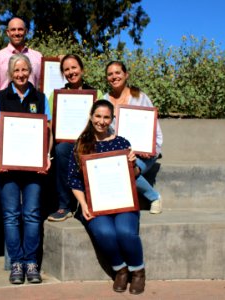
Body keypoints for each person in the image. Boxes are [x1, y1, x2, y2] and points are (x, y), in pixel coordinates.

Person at [67, 99, 146, 295]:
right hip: (96, 204)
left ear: (112, 119)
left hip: (123, 201)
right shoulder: (81, 145)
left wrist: (133, 164)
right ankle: (120, 269)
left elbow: (134, 174)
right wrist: (83, 204)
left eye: (106, 117)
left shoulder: (121, 142)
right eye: (98, 116)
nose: (101, 121)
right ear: (91, 117)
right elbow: (73, 180)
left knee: (125, 232)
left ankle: (137, 271)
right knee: (105, 232)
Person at [0, 54, 53, 285]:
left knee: (33, 215)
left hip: (34, 168)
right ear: (10, 73)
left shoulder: (41, 97)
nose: (21, 74)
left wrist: (46, 156)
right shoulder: (0, 98)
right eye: (16, 70)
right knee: (11, 216)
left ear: (30, 72)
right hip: (7, 168)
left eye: (25, 70)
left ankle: (31, 262)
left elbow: (47, 132)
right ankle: (16, 262)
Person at [47, 54, 104, 222]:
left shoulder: (96, 93)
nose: (71, 72)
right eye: (66, 69)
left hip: (89, 140)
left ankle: (91, 202)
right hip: (66, 143)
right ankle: (65, 206)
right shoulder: (56, 95)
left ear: (82, 69)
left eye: (74, 68)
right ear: (63, 73)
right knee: (62, 149)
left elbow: (101, 120)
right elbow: (51, 124)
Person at [104, 61, 163, 214]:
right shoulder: (104, 100)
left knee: (126, 168)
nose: (114, 77)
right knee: (121, 163)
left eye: (118, 72)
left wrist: (150, 149)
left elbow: (154, 128)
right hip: (118, 153)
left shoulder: (140, 98)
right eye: (110, 74)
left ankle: (154, 197)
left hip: (143, 154)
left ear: (126, 75)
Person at [0, 17, 43, 97]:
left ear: (26, 31)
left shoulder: (38, 57)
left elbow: (42, 86)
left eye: (20, 29)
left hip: (31, 106)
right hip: (5, 107)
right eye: (13, 30)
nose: (17, 33)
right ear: (8, 32)